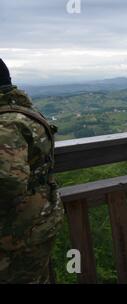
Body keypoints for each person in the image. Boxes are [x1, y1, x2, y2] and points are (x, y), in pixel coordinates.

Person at [0, 59, 63, 283]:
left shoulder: (5, 126)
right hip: (37, 223)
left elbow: (8, 183)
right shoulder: (22, 112)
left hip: (16, 234)